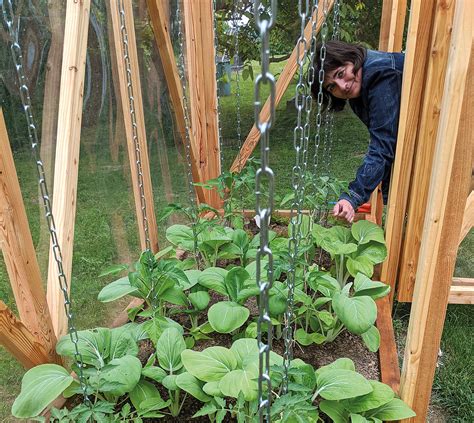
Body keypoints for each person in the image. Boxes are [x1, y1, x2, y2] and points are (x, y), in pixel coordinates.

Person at [311, 40, 404, 223]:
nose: (342, 86)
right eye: (331, 87)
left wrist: (352, 196)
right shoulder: (358, 88)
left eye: (340, 73)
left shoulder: (379, 75)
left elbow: (382, 146)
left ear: (351, 58)